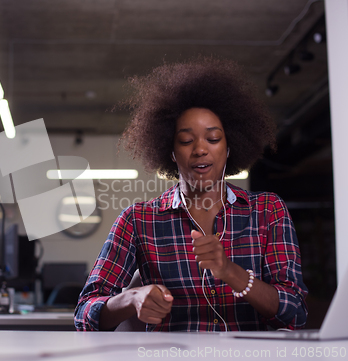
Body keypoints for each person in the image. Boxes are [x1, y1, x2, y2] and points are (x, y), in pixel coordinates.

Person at [74, 57, 308, 332]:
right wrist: (131, 298)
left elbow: (295, 313)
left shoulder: (267, 211)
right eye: (186, 140)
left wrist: (231, 273)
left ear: (229, 147)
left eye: (213, 138)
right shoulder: (138, 220)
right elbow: (84, 313)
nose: (200, 149)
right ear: (170, 152)